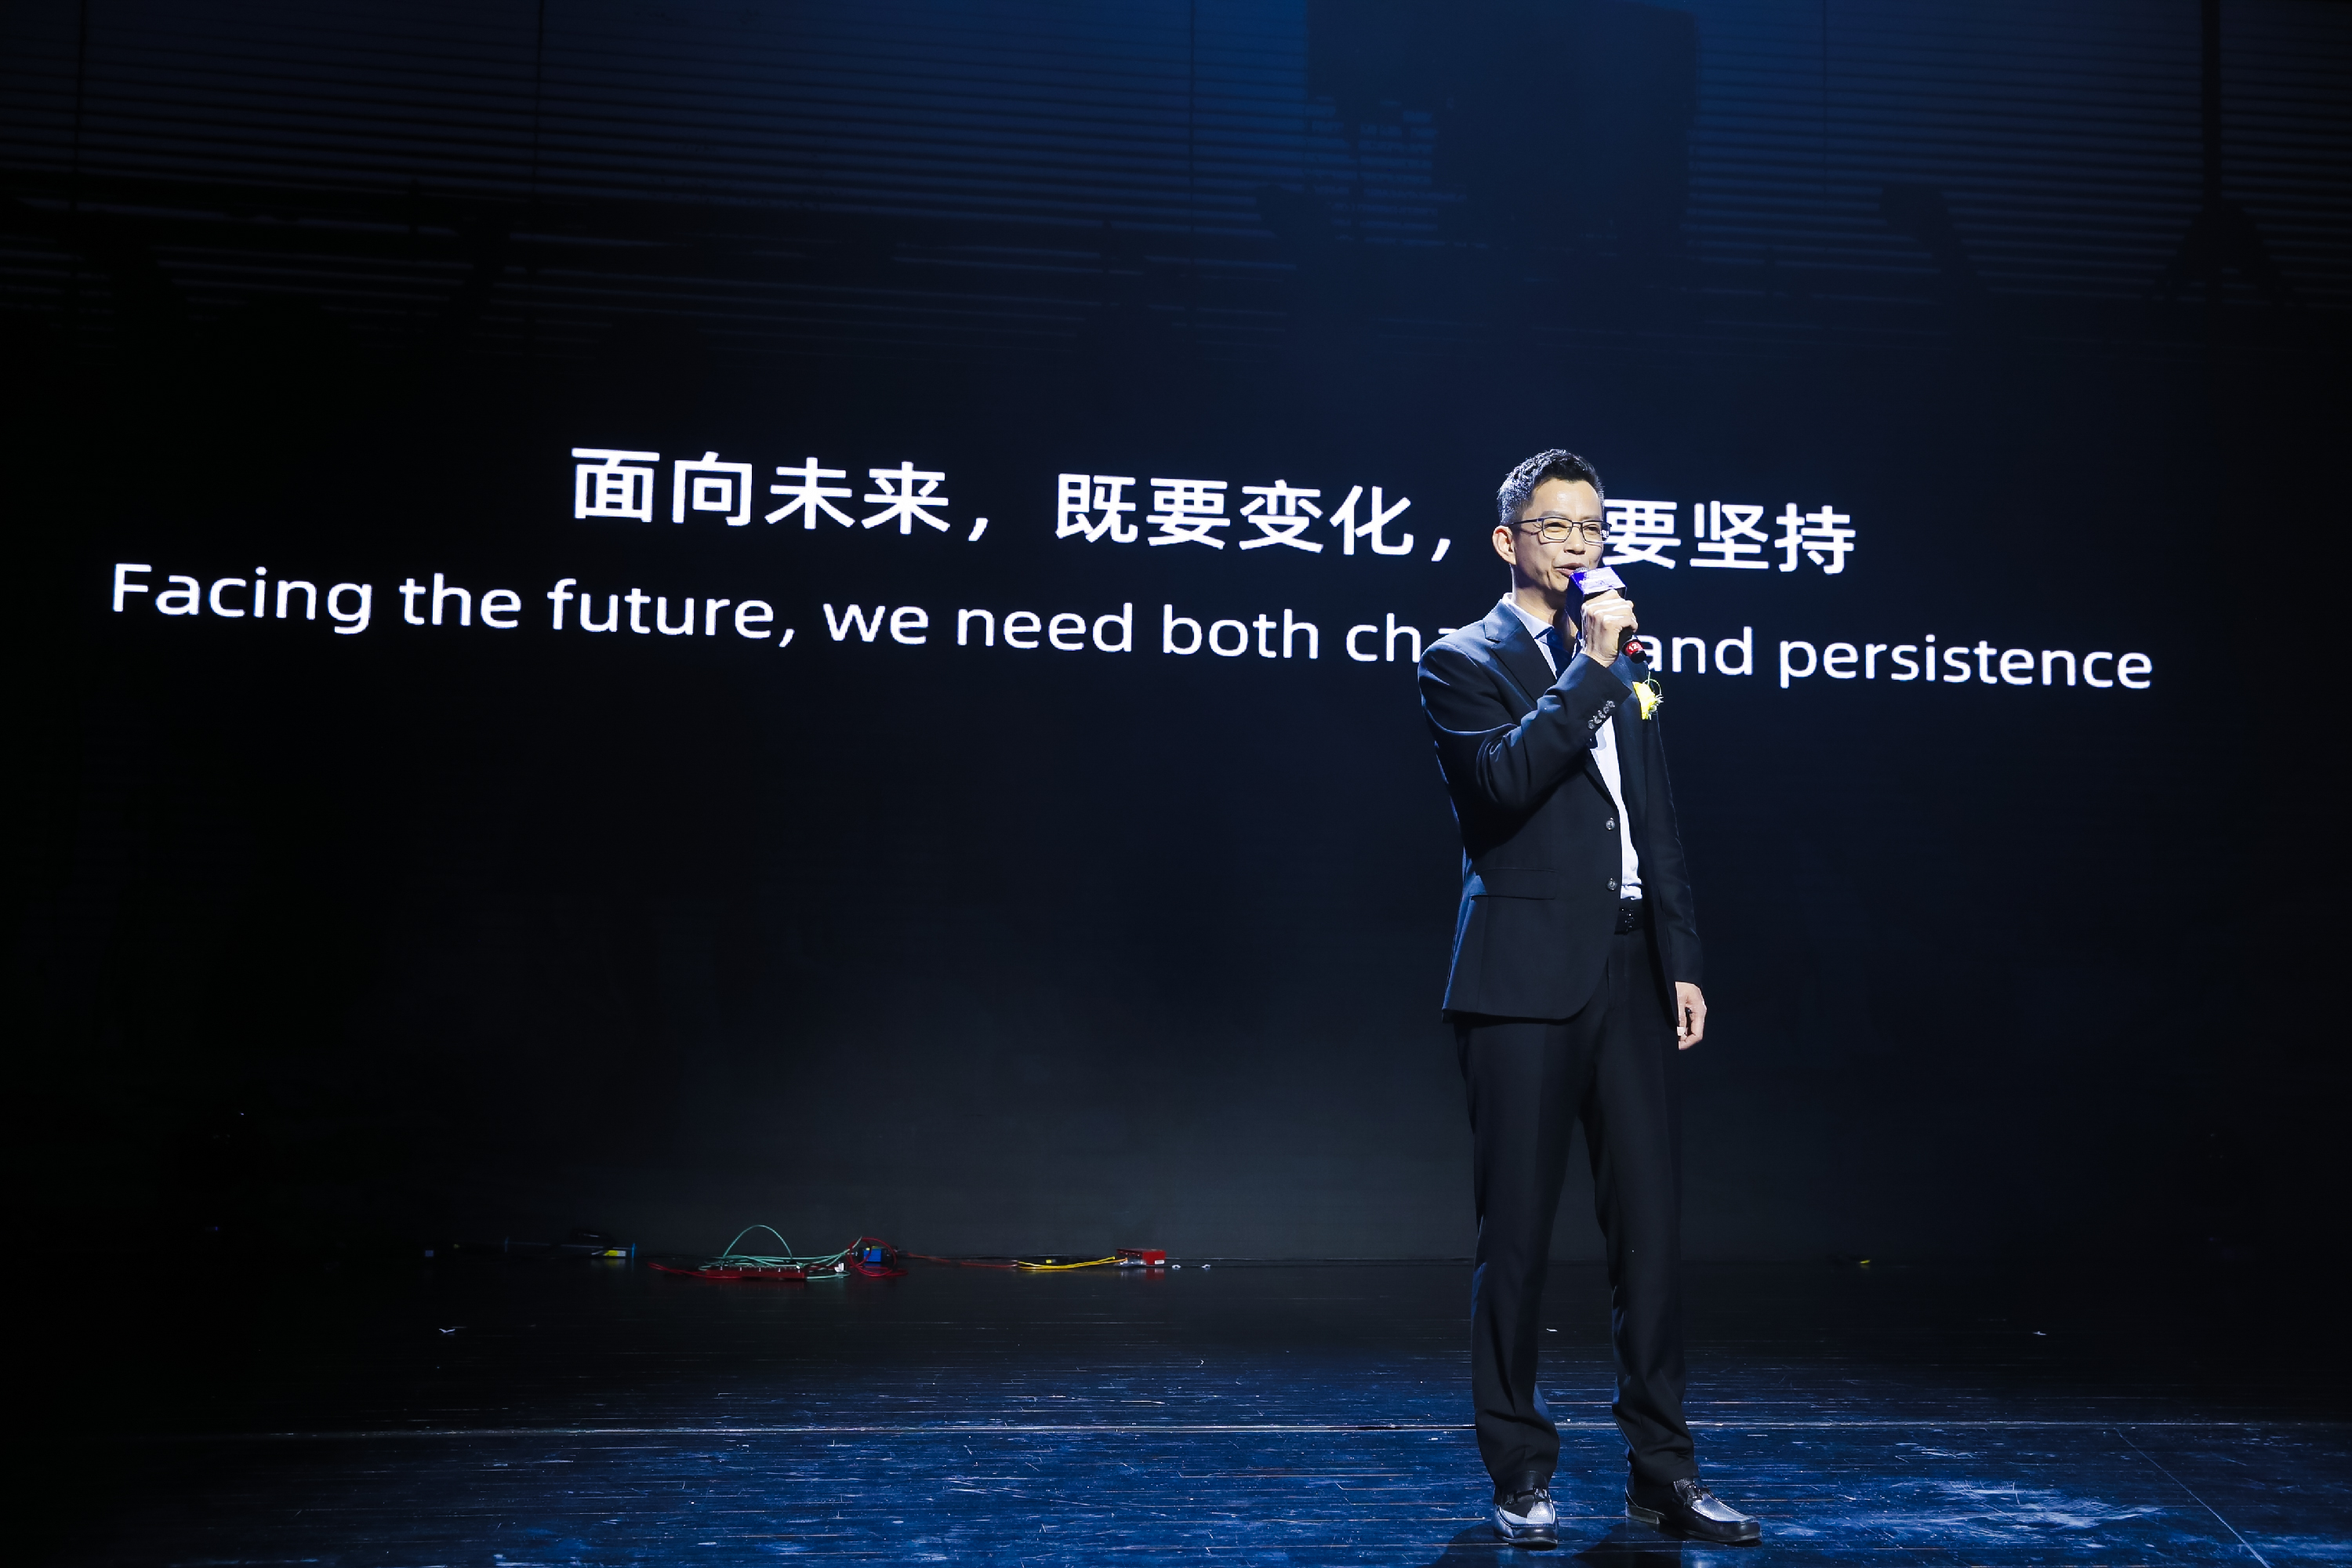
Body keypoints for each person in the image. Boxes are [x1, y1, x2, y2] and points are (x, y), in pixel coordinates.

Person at [1416, 449, 1760, 1548]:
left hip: (1631, 968)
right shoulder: (1461, 659)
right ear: (1506, 540)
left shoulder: (1619, 659)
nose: (1578, 545)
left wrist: (1682, 955)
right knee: (1517, 1238)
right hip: (1521, 978)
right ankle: (1520, 1471)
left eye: (1593, 529)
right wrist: (1593, 669)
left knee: (1650, 1235)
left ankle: (1665, 1472)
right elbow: (1503, 783)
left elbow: (1655, 819)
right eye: (1555, 526)